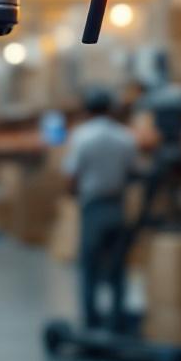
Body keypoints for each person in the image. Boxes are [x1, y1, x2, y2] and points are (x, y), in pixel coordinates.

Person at [63, 88, 140, 332]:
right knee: (117, 266)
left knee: (89, 266)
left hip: (93, 206)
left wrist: (74, 194)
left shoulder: (82, 136)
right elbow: (133, 172)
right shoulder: (124, 136)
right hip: (116, 206)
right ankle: (117, 317)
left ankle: (91, 319)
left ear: (87, 110)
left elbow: (72, 175)